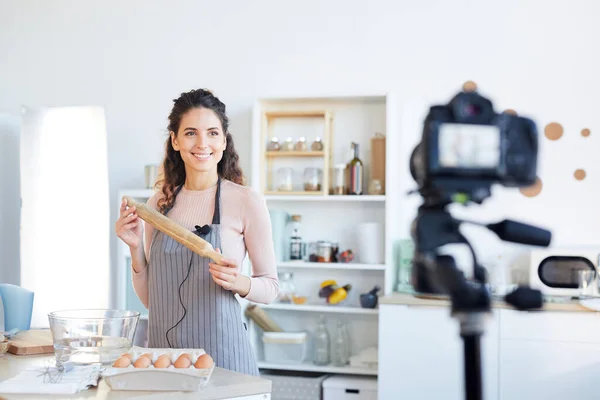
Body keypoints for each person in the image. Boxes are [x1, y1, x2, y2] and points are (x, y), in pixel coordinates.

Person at [115, 88, 279, 376]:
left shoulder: (245, 201)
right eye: (191, 133)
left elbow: (271, 287)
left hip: (225, 361)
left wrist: (238, 281)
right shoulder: (159, 205)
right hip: (165, 360)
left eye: (213, 133)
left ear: (224, 141)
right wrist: (135, 249)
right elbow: (154, 300)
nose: (203, 143)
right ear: (175, 141)